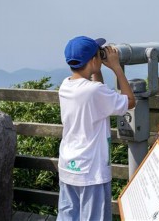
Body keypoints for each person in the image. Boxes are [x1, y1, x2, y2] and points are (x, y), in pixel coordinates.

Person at [57, 36, 136, 221]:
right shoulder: (94, 92)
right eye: (99, 54)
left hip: (69, 167)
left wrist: (97, 69)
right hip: (91, 171)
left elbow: (96, 91)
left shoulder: (66, 85)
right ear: (93, 60)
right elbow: (130, 101)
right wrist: (116, 68)